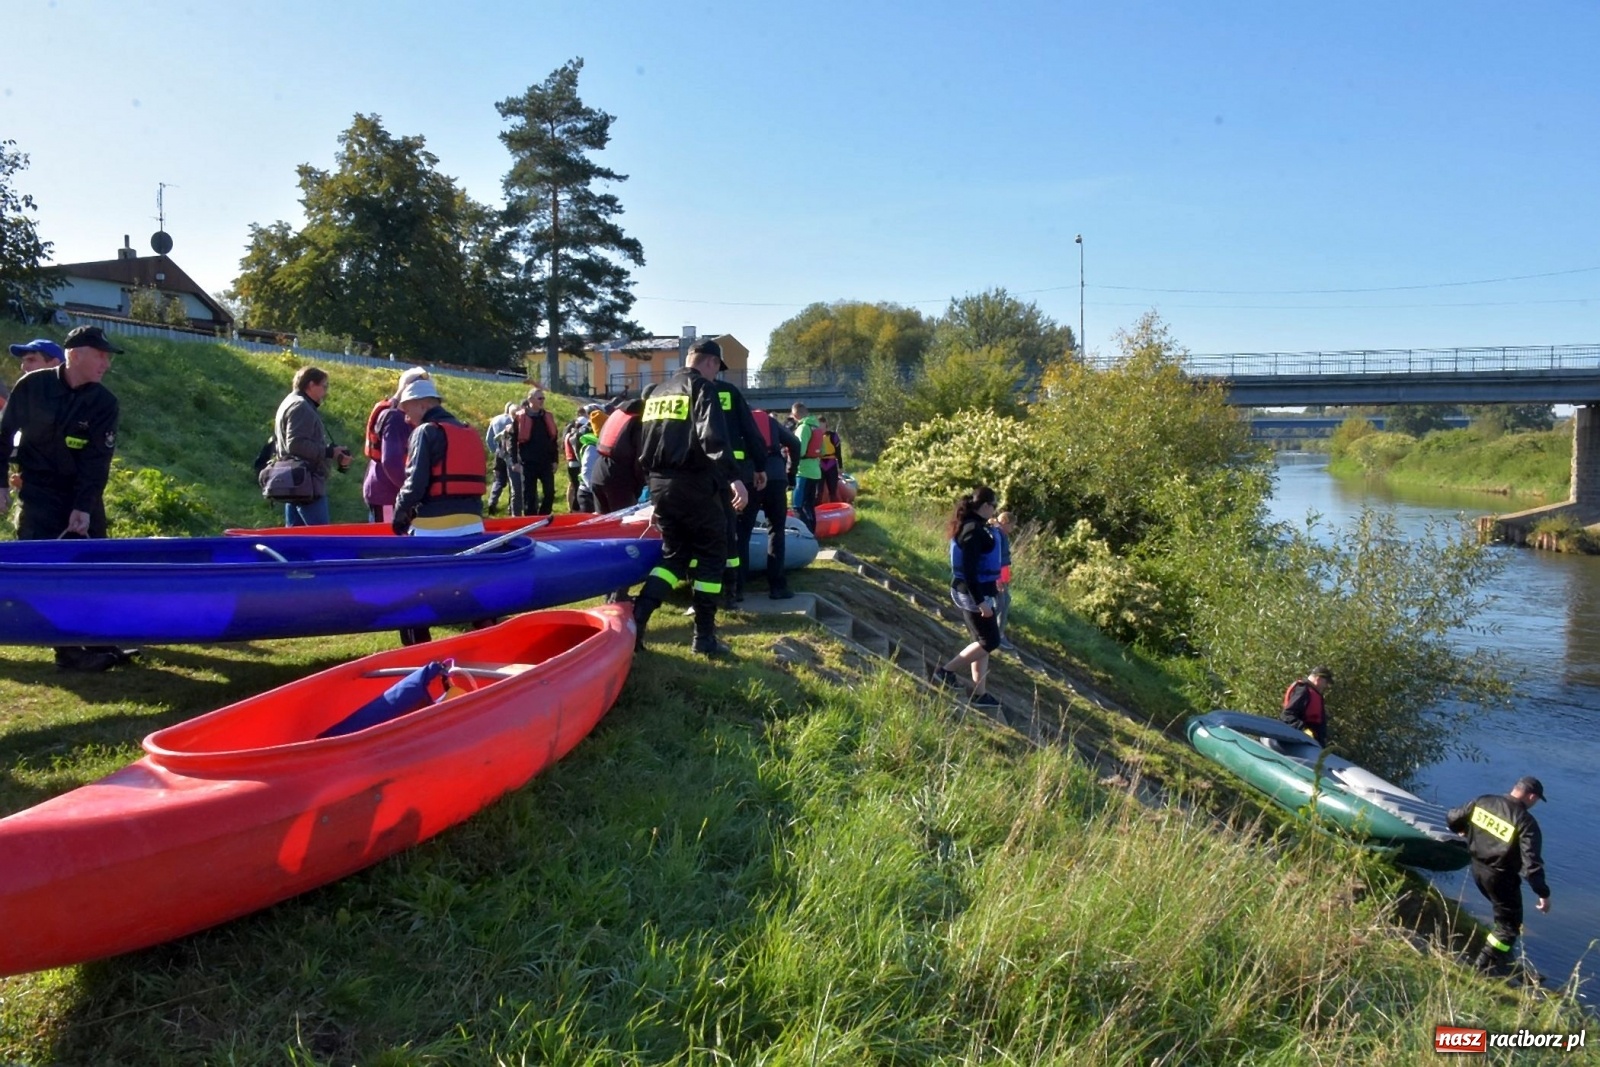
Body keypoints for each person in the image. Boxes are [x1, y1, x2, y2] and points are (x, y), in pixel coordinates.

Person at [0, 325, 133, 671]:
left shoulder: (104, 402)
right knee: (48, 571)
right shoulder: (33, 386)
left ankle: (100, 639)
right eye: (100, 355)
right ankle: (68, 651)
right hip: (39, 493)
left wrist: (83, 508)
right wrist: (1, 484)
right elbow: (3, 435)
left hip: (81, 492)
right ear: (75, 354)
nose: (106, 364)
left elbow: (97, 461)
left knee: (95, 568)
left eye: (108, 357)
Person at [631, 337, 748, 656]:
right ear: (711, 362)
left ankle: (638, 619)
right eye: (717, 368)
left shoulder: (657, 393)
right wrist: (734, 477)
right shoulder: (702, 388)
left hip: (660, 484)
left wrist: (653, 489)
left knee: (674, 556)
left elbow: (644, 443)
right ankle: (704, 637)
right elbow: (712, 437)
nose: (716, 375)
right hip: (695, 483)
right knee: (712, 554)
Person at [1447, 776, 1551, 978]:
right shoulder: (1526, 822)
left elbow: (1452, 817)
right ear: (1531, 796)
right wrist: (1542, 893)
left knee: (1502, 919)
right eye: (1537, 800)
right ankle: (1482, 968)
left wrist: (1462, 830)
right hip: (1501, 879)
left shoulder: (1483, 801)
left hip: (1477, 868)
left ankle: (1499, 960)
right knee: (1509, 928)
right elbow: (1531, 863)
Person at [930, 485, 1003, 709]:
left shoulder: (976, 525)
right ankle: (945, 671)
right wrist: (981, 602)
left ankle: (979, 694)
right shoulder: (973, 531)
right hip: (973, 594)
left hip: (976, 592)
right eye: (994, 506)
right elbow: (970, 572)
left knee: (982, 642)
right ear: (986, 506)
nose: (995, 511)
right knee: (991, 641)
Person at [707, 348, 767, 606]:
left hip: (693, 477)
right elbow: (750, 431)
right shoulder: (729, 392)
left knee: (701, 533)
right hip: (731, 474)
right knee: (731, 532)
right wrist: (760, 466)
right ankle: (732, 591)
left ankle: (702, 591)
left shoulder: (679, 390)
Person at [272, 366, 351, 527]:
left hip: (294, 482)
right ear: (311, 385)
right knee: (320, 537)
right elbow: (295, 444)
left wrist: (329, 450)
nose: (326, 392)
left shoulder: (289, 401)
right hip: (307, 485)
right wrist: (329, 452)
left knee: (295, 538)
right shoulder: (301, 406)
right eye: (324, 386)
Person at [361, 367, 430, 523]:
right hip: (386, 495)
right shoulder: (395, 418)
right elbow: (391, 462)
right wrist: (411, 492)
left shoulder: (399, 415)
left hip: (389, 491)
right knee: (388, 537)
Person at [749, 407, 802, 599]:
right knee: (776, 532)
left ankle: (736, 590)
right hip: (776, 477)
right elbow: (794, 443)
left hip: (749, 479)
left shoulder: (737, 420)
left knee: (742, 532)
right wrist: (791, 471)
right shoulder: (770, 421)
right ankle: (777, 587)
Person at [592, 398, 646, 514]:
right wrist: (640, 486)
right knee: (623, 521)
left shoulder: (617, 413)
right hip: (619, 478)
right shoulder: (638, 422)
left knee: (602, 521)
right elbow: (640, 459)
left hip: (598, 470)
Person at [514, 388, 559, 516]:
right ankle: (530, 520)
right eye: (539, 398)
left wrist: (555, 460)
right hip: (528, 463)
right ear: (530, 400)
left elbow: (553, 440)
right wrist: (514, 461)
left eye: (543, 398)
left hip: (545, 462)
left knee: (550, 493)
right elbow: (512, 440)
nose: (542, 401)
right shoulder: (520, 418)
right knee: (529, 496)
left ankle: (543, 516)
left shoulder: (547, 417)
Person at [790, 402, 823, 532]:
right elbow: (822, 450)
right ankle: (812, 534)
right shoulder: (816, 427)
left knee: (797, 506)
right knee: (809, 506)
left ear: (795, 415)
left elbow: (800, 451)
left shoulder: (803, 428)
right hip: (815, 472)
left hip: (802, 472)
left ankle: (806, 535)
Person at [1281, 666, 1333, 745]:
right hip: (1301, 741)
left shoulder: (1315, 693)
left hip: (1313, 742)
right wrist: (1305, 731)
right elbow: (1288, 715)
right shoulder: (1303, 690)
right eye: (1326, 683)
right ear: (1318, 679)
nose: (1326, 686)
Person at [484, 402, 516, 515]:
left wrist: (495, 450)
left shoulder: (495, 420)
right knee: (513, 480)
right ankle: (512, 507)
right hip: (512, 452)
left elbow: (489, 439)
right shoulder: (514, 420)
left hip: (499, 452)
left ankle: (492, 502)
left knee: (498, 479)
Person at [993, 510, 1016, 650]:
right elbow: (996, 558)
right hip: (997, 576)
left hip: (1001, 575)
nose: (1012, 529)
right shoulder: (997, 535)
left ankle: (995, 632)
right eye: (1012, 526)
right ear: (1005, 522)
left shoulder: (1001, 535)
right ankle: (996, 634)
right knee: (1002, 602)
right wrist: (998, 578)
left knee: (1004, 601)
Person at [817, 415, 843, 503]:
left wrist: (840, 467)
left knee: (833, 491)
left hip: (831, 464)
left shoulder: (833, 435)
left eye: (822, 423)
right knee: (818, 491)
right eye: (818, 424)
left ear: (825, 424)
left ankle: (834, 507)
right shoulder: (815, 436)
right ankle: (817, 508)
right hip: (820, 464)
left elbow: (838, 452)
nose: (820, 426)